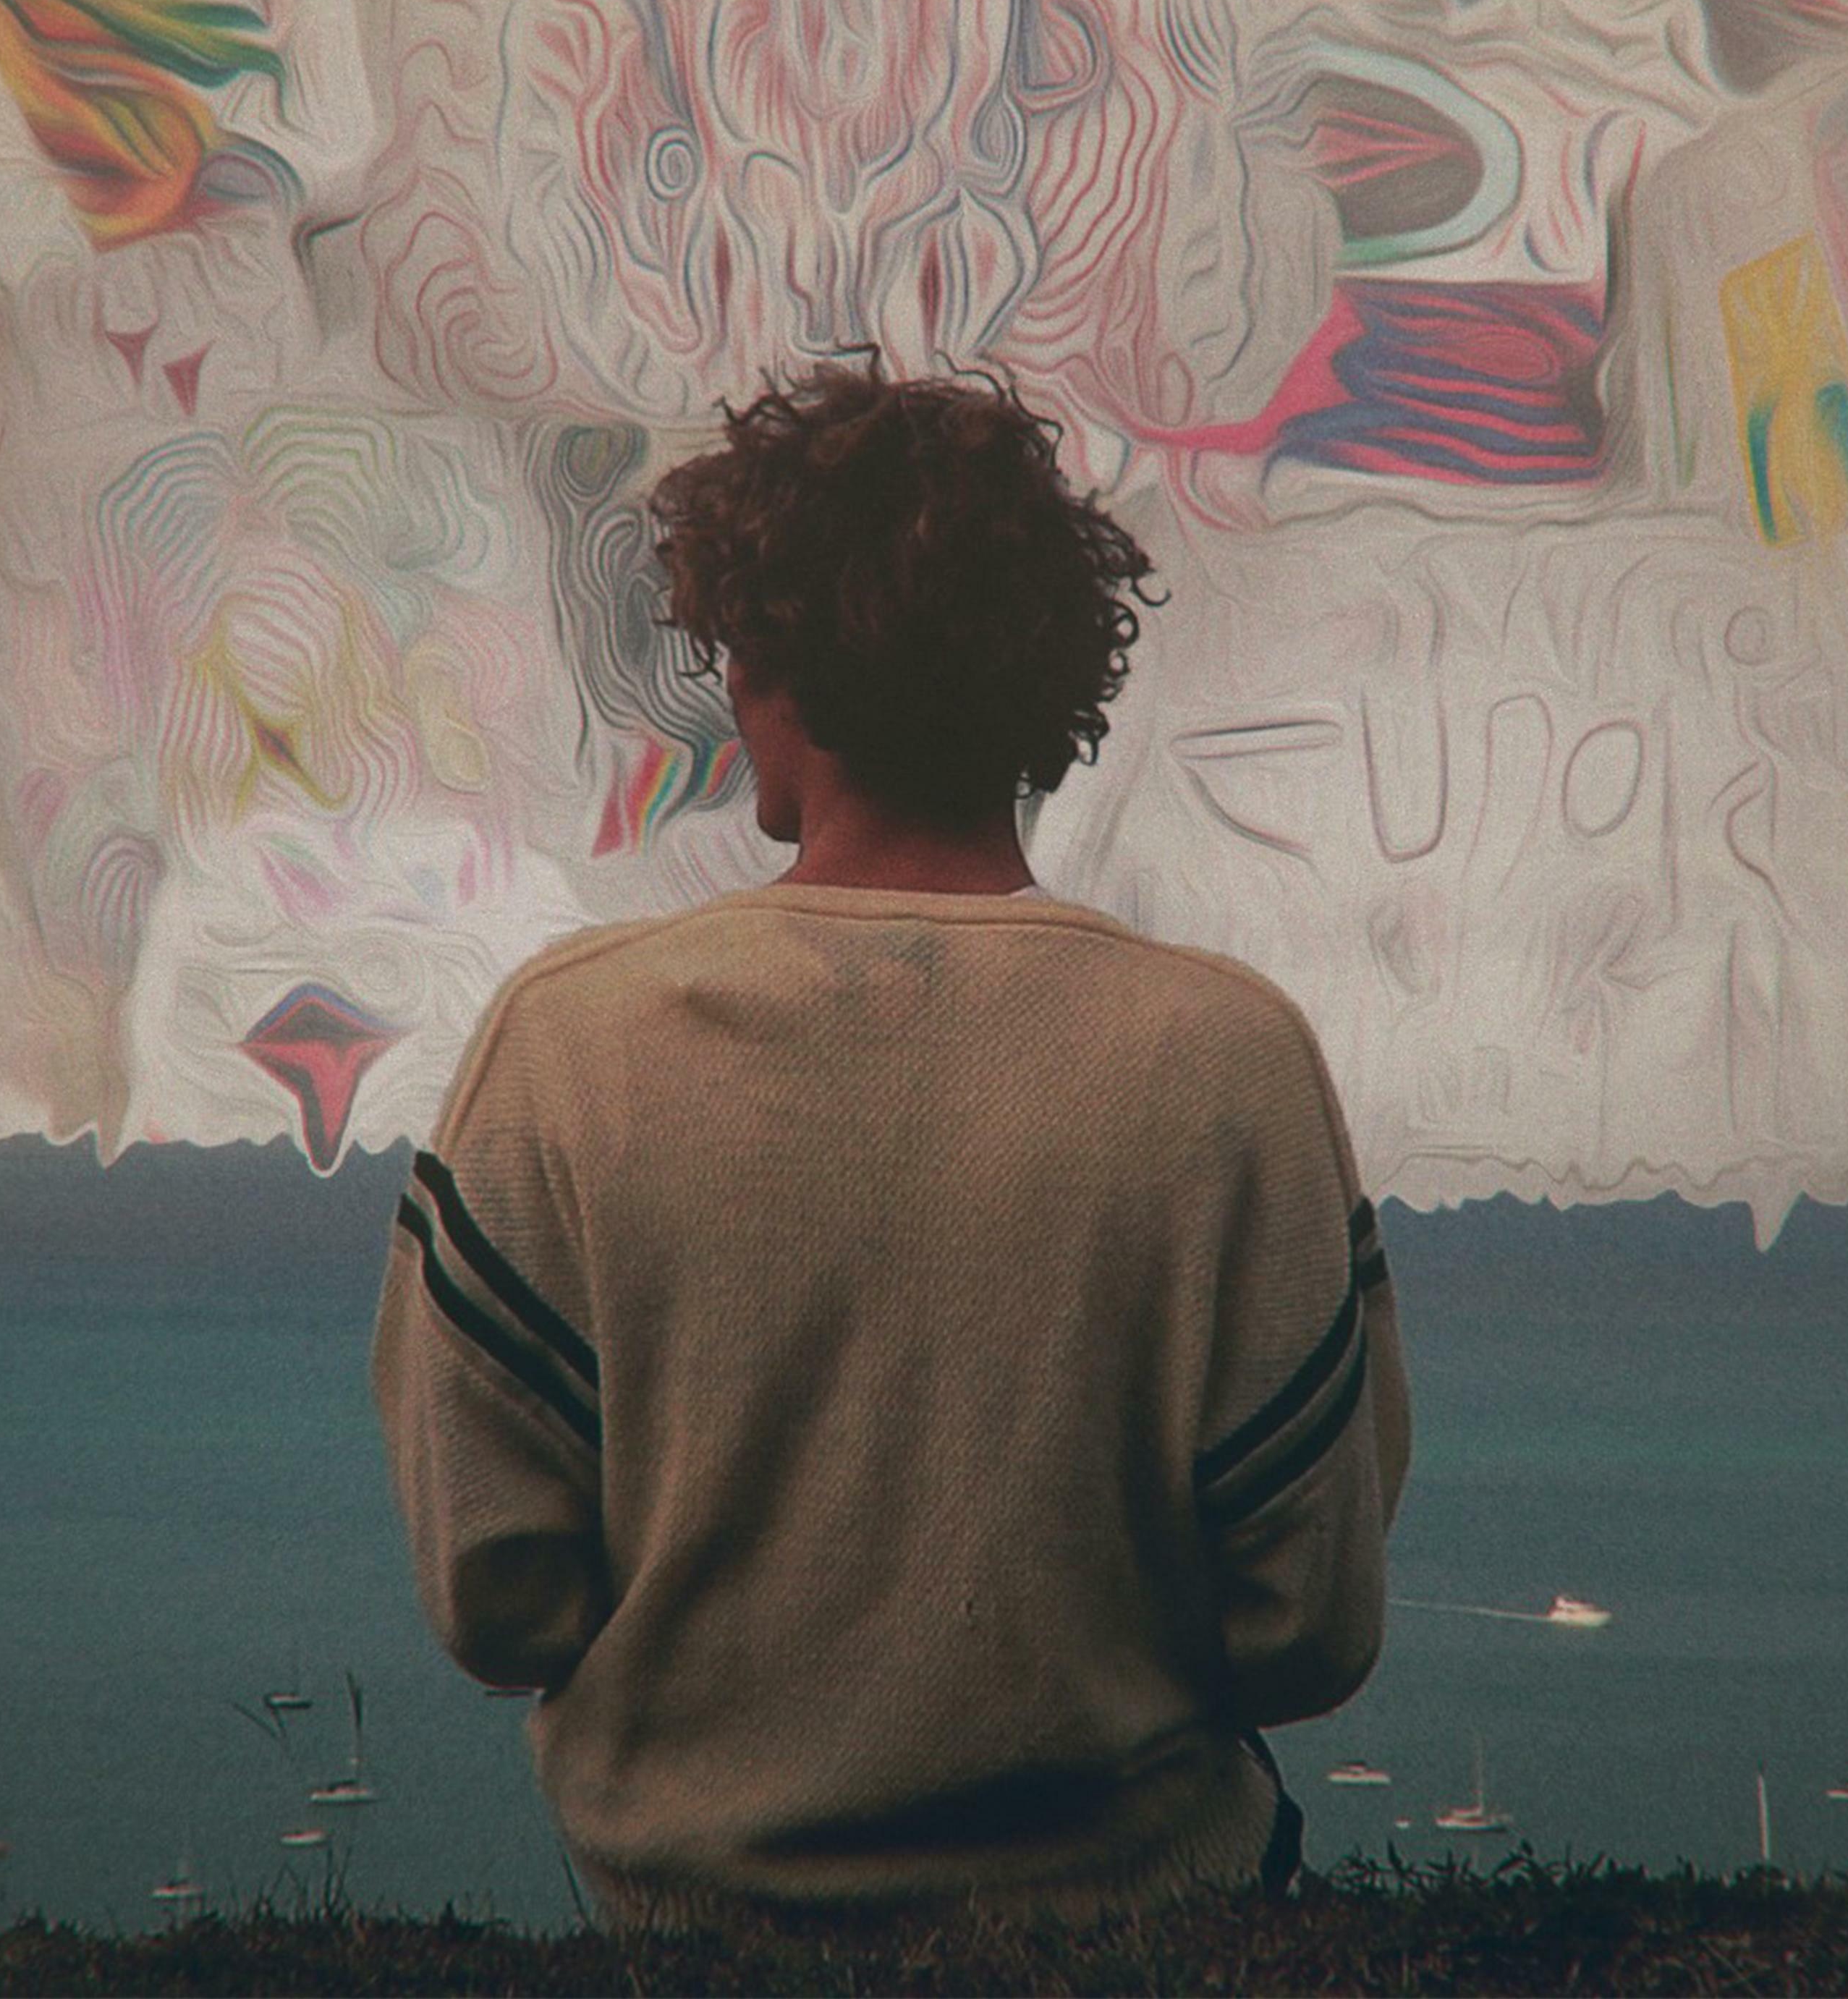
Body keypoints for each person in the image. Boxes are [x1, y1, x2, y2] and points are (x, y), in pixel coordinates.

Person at [372, 358, 1410, 1928]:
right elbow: (1308, 1626)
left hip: (691, 1923)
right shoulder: (1229, 1061)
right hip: (1154, 1918)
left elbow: (497, 1595)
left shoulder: (567, 1045)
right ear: (1047, 684)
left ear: (775, 676)